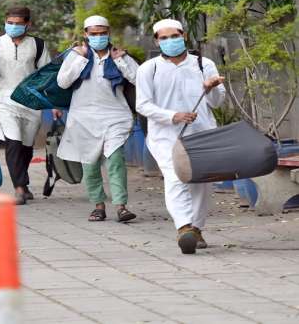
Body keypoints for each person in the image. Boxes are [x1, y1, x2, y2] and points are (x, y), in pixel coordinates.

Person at [136, 18, 226, 255]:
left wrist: (211, 88)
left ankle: (196, 228)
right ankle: (184, 227)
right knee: (175, 177)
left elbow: (217, 102)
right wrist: (173, 116)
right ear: (157, 41)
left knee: (202, 182)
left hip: (202, 133)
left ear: (184, 36)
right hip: (165, 136)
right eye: (164, 38)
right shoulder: (149, 69)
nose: (170, 41)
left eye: (174, 36)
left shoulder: (203, 64)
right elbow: (143, 105)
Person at [0, 6, 57, 205]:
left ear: (28, 24)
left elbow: (47, 75)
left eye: (18, 24)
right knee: (13, 142)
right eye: (10, 23)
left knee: (26, 146)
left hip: (30, 103)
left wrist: (53, 102)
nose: (13, 27)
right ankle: (18, 188)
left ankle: (23, 183)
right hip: (3, 100)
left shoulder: (38, 45)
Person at [57, 15, 139, 222]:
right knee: (90, 164)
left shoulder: (119, 55)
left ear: (109, 33)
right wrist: (81, 57)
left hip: (115, 116)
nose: (99, 37)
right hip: (83, 119)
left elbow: (139, 78)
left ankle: (121, 206)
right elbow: (63, 82)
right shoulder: (76, 55)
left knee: (115, 160)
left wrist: (120, 60)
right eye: (94, 34)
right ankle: (98, 205)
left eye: (102, 33)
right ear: (86, 34)